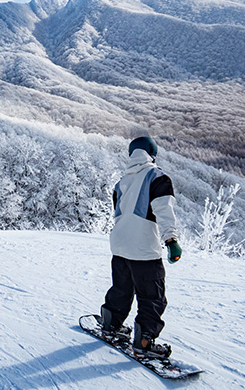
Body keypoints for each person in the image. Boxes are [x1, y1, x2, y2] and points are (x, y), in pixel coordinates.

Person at [99, 136, 183, 359]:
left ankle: (110, 325)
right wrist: (171, 241)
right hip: (144, 248)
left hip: (119, 245)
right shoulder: (157, 177)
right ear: (152, 153)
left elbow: (118, 215)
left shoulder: (121, 181)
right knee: (152, 297)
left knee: (121, 289)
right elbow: (164, 211)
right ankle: (144, 342)